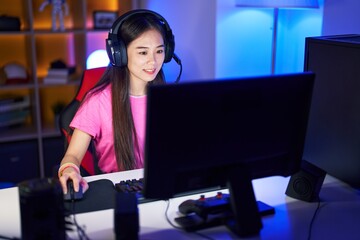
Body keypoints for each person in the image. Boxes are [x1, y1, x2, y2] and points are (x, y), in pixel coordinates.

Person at [57, 9, 177, 194]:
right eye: (143, 52)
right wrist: (70, 169)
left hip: (162, 185)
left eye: (159, 51)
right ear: (119, 53)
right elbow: (72, 155)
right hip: (119, 192)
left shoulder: (170, 98)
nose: (153, 61)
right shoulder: (98, 102)